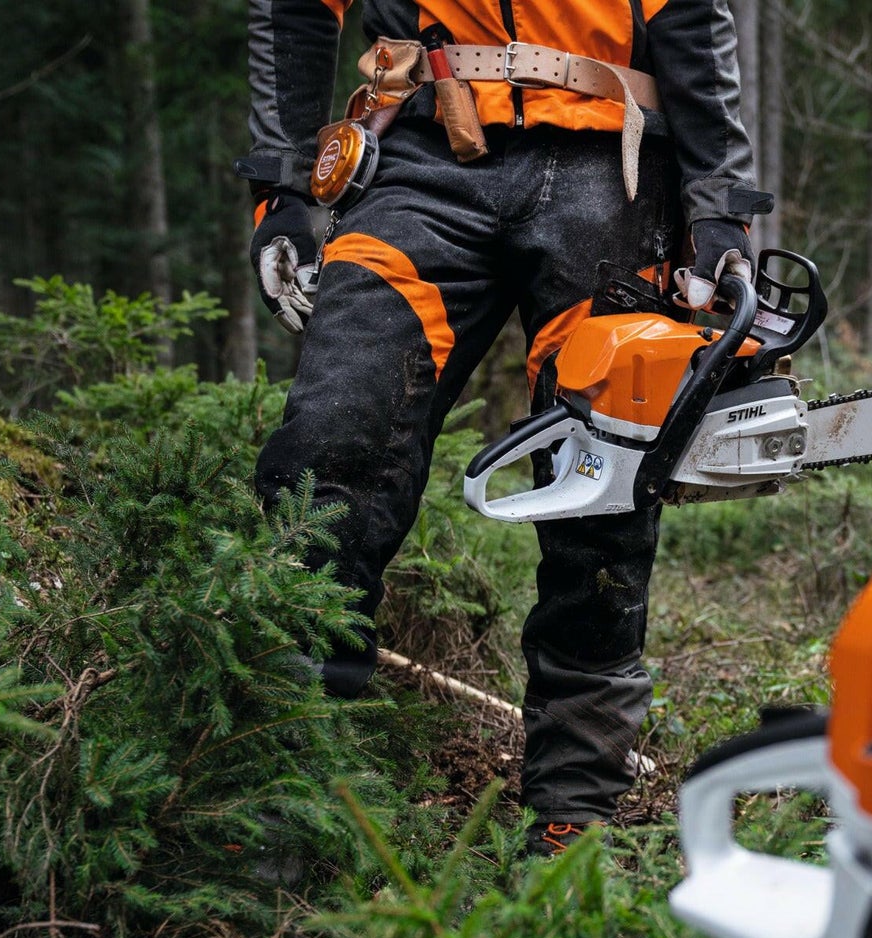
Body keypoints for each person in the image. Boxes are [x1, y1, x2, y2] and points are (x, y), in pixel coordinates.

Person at [235, 0, 770, 854]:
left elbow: (692, 20)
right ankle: (284, 780)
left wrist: (718, 206)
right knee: (332, 442)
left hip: (617, 162)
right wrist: (282, 186)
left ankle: (573, 808)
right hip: (419, 154)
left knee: (606, 482)